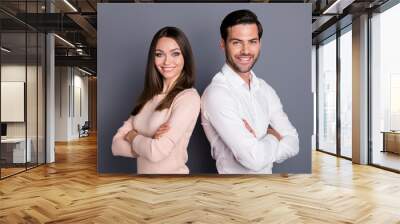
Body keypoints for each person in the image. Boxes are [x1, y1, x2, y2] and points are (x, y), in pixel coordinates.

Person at [201, 9, 299, 174]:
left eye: (252, 41)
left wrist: (261, 146)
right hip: (233, 194)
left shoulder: (265, 89)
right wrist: (273, 135)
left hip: (268, 192)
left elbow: (293, 142)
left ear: (259, 43)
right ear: (223, 44)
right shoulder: (216, 94)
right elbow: (253, 160)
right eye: (237, 42)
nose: (246, 50)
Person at [111, 26, 200, 174]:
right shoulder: (148, 97)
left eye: (175, 54)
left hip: (172, 188)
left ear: (185, 56)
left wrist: (132, 135)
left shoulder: (188, 98)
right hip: (144, 187)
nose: (167, 61)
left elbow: (155, 153)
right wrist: (149, 141)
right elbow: (115, 146)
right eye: (159, 54)